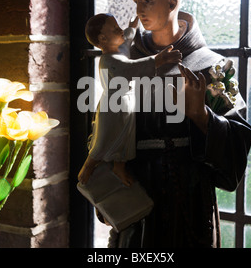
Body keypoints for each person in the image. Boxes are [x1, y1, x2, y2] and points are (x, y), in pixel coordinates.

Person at [106, 0, 251, 248]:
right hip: (134, 192)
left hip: (189, 198)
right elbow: (106, 124)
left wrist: (201, 115)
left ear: (173, 2)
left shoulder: (212, 67)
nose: (139, 10)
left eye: (147, 0)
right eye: (136, 1)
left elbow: (238, 141)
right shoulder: (126, 65)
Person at [78, 13, 182, 187]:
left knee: (125, 139)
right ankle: (89, 165)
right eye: (116, 29)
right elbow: (131, 69)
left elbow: (126, 40)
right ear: (103, 39)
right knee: (104, 138)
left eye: (119, 27)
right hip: (112, 107)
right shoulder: (109, 60)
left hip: (126, 104)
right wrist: (158, 60)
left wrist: (132, 28)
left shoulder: (118, 49)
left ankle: (119, 166)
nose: (121, 31)